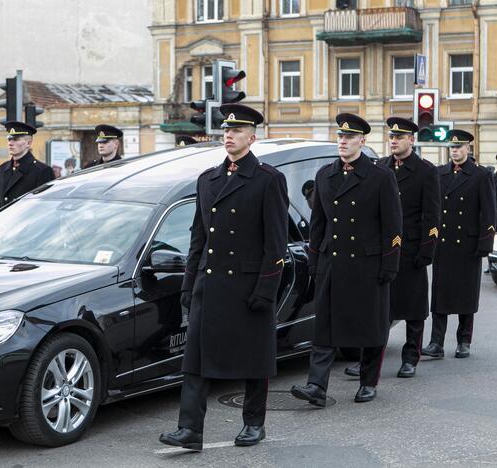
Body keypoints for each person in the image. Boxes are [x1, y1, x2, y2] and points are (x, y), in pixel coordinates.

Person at [159, 104, 288, 451]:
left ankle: (253, 423)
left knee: (253, 358)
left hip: (247, 287)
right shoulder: (208, 179)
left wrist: (267, 288)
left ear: (252, 137)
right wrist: (189, 283)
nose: (229, 136)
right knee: (195, 362)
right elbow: (198, 237)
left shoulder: (268, 180)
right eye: (226, 131)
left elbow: (276, 242)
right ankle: (190, 430)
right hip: (210, 285)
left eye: (237, 131)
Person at [290, 113, 402, 406]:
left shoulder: (380, 176)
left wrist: (389, 264)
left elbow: (393, 225)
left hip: (368, 263)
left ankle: (368, 381)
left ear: (362, 142)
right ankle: (316, 385)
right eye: (340, 136)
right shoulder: (325, 175)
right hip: (333, 262)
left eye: (349, 137)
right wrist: (315, 262)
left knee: (371, 325)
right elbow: (318, 223)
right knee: (325, 326)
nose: (343, 141)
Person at [345, 117, 440, 380]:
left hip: (411, 251)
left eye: (399, 137)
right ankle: (368, 361)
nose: (394, 141)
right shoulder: (380, 167)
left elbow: (432, 217)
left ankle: (410, 357)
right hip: (382, 251)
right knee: (378, 310)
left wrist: (427, 250)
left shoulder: (425, 171)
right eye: (391, 137)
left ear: (411, 139)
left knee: (413, 308)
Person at [422, 130, 495, 360]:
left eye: (459, 147)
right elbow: (431, 209)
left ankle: (464, 341)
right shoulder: (439, 173)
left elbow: (489, 213)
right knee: (440, 295)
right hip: (443, 244)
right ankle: (436, 342)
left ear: (468, 149)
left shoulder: (480, 175)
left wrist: (485, 243)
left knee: (466, 295)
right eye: (452, 147)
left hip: (468, 244)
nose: (455, 151)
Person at [0, 121, 55, 210]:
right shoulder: (2, 169)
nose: (10, 143)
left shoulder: (42, 171)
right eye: (9, 139)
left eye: (16, 139)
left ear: (28, 143)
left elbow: (46, 208)